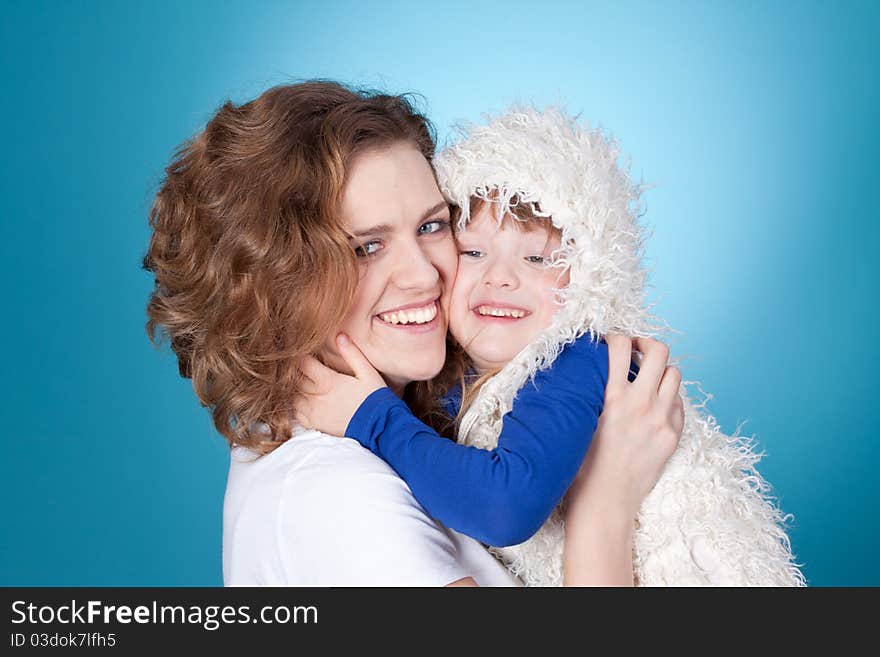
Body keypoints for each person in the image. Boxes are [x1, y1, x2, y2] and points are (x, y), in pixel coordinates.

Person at [144, 81, 682, 586]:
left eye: (432, 226)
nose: (425, 275)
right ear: (272, 285)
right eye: (366, 248)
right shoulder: (338, 497)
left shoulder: (411, 433)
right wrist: (605, 503)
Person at [297, 106, 806, 587]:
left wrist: (373, 418)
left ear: (590, 282)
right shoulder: (458, 376)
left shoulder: (578, 358)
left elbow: (505, 508)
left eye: (538, 260)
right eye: (472, 251)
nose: (500, 279)